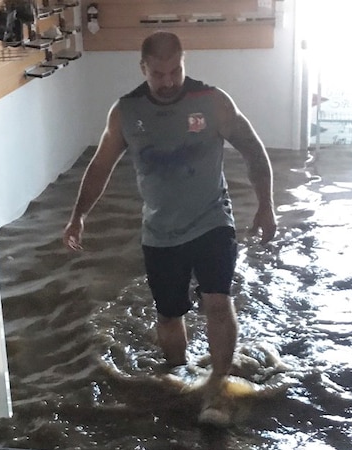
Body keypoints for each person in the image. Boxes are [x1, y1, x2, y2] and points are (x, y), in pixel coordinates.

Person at [62, 31, 276, 427]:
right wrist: (79, 215)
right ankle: (180, 375)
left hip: (213, 220)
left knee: (217, 301)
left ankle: (218, 384)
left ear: (184, 63)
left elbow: (253, 149)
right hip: (160, 232)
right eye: (158, 73)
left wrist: (266, 206)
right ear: (143, 68)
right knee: (168, 315)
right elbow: (100, 166)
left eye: (175, 70)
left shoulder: (212, 102)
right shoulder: (126, 111)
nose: (168, 81)